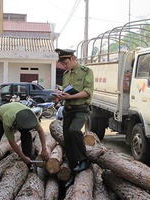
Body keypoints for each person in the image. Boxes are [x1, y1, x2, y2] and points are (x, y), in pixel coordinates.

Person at [0, 102, 49, 176]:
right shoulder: (8, 121)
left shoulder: (32, 117)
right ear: (17, 124)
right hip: (2, 114)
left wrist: (44, 149)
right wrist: (22, 157)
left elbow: (40, 131)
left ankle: (28, 162)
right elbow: (12, 142)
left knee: (27, 135)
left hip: (19, 111)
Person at [54, 48, 94, 188]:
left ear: (72, 58)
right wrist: (60, 93)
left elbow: (88, 92)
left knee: (74, 131)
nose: (64, 66)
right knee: (68, 141)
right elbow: (66, 89)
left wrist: (71, 96)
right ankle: (72, 173)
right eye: (62, 64)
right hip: (68, 110)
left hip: (81, 109)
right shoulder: (66, 74)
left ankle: (84, 159)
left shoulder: (86, 72)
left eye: (65, 63)